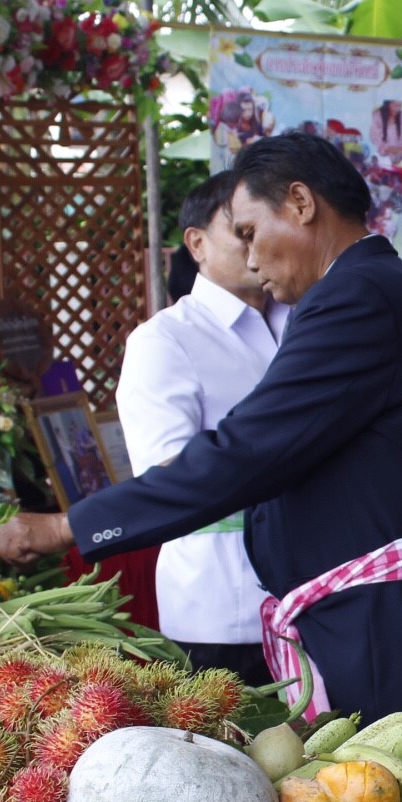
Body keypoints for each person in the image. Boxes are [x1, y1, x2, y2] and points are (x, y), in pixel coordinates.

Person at [0, 132, 402, 728]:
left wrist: (69, 525)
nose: (250, 259)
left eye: (251, 232)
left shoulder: (355, 297)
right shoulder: (362, 289)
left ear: (300, 204)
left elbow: (244, 452)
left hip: (382, 631)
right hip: (363, 620)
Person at [114, 173, 291, 684]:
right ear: (197, 243)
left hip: (307, 595)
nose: (258, 244)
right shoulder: (165, 341)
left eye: (262, 227)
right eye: (242, 231)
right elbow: (168, 476)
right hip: (220, 604)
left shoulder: (297, 323)